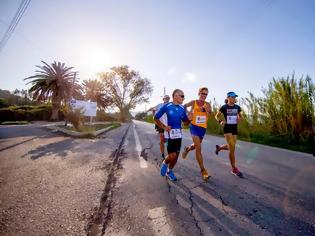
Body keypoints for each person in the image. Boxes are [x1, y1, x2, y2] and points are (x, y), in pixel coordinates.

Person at [154, 89, 190, 181]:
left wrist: (190, 119)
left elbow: (185, 123)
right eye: (181, 96)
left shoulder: (182, 109)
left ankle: (169, 171)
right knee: (172, 156)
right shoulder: (167, 106)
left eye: (183, 96)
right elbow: (156, 118)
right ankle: (165, 163)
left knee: (175, 158)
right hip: (170, 135)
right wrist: (164, 127)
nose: (183, 98)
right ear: (175, 96)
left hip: (179, 135)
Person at [181, 87, 212, 181]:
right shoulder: (193, 102)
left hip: (203, 128)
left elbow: (209, 115)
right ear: (199, 93)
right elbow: (183, 106)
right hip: (194, 127)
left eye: (206, 94)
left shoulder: (208, 104)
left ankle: (187, 148)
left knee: (195, 146)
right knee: (198, 148)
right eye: (202, 93)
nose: (204, 95)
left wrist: (206, 111)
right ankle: (203, 171)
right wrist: (188, 114)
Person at [215, 91, 243, 177]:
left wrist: (239, 119)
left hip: (234, 128)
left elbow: (241, 117)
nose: (235, 99)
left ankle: (219, 148)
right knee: (232, 149)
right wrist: (220, 121)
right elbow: (216, 116)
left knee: (232, 146)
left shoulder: (237, 107)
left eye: (235, 97)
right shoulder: (224, 107)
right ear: (229, 98)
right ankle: (234, 169)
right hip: (227, 128)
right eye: (233, 97)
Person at [148, 95, 170, 159]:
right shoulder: (159, 105)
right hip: (160, 124)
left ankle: (169, 154)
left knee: (168, 140)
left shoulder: (170, 106)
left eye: (168, 98)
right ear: (163, 99)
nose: (167, 99)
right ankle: (163, 154)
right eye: (165, 98)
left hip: (168, 124)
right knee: (162, 139)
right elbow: (153, 109)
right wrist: (153, 112)